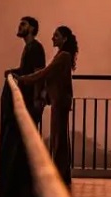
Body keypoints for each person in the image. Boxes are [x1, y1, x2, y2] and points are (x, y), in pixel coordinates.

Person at [17, 25, 78, 188]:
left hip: (60, 101)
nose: (53, 38)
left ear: (64, 39)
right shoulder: (63, 55)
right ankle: (62, 173)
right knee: (60, 137)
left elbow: (44, 73)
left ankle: (59, 174)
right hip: (60, 100)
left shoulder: (63, 56)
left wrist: (24, 79)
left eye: (56, 36)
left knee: (59, 138)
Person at [4, 16, 46, 126]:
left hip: (30, 100)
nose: (20, 26)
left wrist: (36, 99)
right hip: (27, 99)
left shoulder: (35, 47)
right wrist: (13, 71)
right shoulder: (29, 47)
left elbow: (38, 74)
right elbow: (26, 70)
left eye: (23, 24)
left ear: (32, 29)